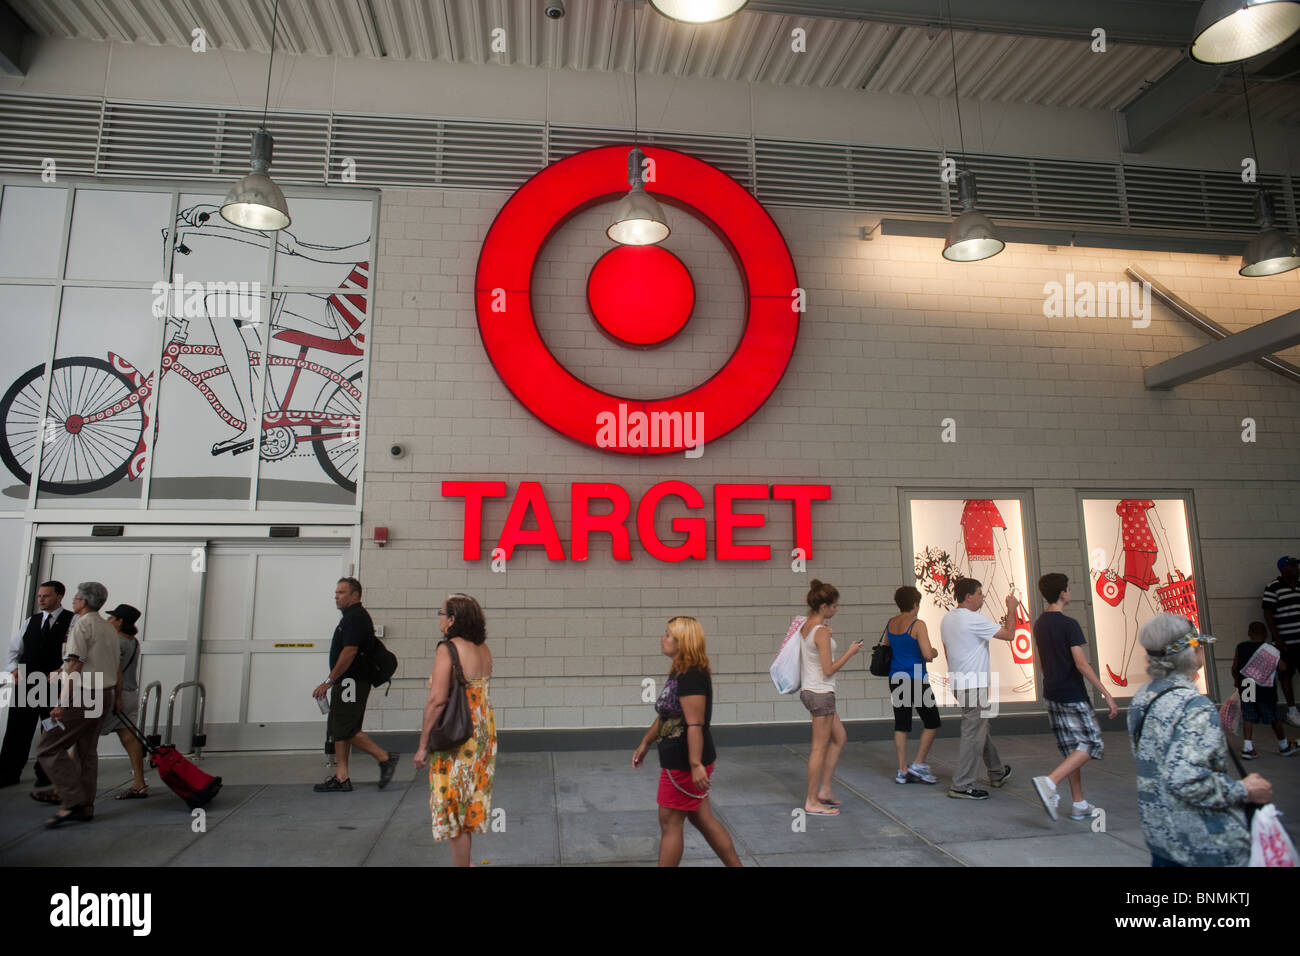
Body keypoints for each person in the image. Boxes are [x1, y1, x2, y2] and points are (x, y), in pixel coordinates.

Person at [1128, 613, 1272, 866]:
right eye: (1198, 645)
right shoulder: (1195, 707)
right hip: (1200, 844)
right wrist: (1244, 789)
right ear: (1190, 653)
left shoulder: (1141, 699)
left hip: (1160, 838)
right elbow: (1186, 779)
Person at [633, 616, 742, 867]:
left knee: (670, 822)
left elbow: (695, 723)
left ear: (683, 642)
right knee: (701, 818)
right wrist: (646, 743)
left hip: (684, 765)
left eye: (669, 635)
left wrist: (694, 764)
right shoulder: (681, 671)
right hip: (681, 761)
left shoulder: (691, 675)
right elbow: (668, 716)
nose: (664, 638)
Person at [414, 594, 497, 867]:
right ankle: (468, 862)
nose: (438, 618)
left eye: (441, 613)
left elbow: (437, 699)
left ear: (452, 620)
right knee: (469, 800)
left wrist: (423, 744)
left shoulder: (447, 648)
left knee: (452, 804)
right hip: (483, 732)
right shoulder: (482, 648)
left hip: (457, 736)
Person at [1029, 573, 1118, 822]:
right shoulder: (1069, 624)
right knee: (1090, 743)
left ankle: (1079, 803)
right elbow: (1081, 664)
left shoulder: (1040, 623)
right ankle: (1050, 782)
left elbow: (1041, 661)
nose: (1070, 591)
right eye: (1068, 588)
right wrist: (1107, 693)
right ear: (1062, 593)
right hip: (1071, 693)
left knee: (1072, 749)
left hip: (1052, 691)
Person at [34, 582, 121, 828]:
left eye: (75, 598)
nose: (73, 602)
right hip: (104, 694)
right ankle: (86, 806)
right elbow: (114, 665)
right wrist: (116, 697)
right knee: (86, 750)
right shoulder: (108, 627)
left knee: (48, 747)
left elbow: (74, 666)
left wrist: (61, 703)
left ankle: (72, 800)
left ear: (83, 602)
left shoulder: (82, 625)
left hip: (84, 694)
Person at [311, 578, 398, 792]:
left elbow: (349, 652)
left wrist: (329, 682)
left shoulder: (355, 618)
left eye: (341, 592)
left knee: (345, 727)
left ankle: (384, 757)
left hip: (351, 681)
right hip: (347, 680)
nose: (336, 596)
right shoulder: (350, 617)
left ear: (355, 595)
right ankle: (342, 777)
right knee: (340, 727)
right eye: (336, 592)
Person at [940, 577, 1018, 800]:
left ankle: (996, 772)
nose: (983, 596)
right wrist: (1011, 608)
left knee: (979, 729)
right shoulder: (973, 619)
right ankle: (961, 785)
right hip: (975, 684)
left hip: (959, 683)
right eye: (980, 593)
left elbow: (947, 651)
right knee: (973, 734)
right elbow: (1010, 635)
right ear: (968, 597)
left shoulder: (947, 619)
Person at [796, 580, 863, 813]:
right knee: (818, 748)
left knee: (840, 737)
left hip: (811, 691)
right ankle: (812, 800)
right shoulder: (821, 632)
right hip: (821, 692)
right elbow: (828, 669)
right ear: (824, 606)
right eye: (834, 606)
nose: (837, 609)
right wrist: (850, 653)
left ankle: (824, 789)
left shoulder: (806, 626)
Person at [0, 581, 73, 789]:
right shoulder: (31, 621)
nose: (41, 599)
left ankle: (47, 773)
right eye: (40, 596)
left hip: (54, 683)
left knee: (51, 729)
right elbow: (15, 649)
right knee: (17, 729)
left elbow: (73, 653)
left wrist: (61, 671)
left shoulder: (72, 621)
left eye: (46, 596)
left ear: (59, 597)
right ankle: (8, 773)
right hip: (28, 682)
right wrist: (13, 668)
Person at [885, 585, 940, 785]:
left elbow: (887, 647)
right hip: (916, 678)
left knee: (901, 724)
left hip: (896, 677)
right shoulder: (918, 624)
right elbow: (927, 653)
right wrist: (934, 652)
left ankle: (902, 769)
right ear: (915, 604)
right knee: (932, 721)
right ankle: (918, 764)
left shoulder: (891, 623)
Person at [99, 604, 149, 799]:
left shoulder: (116, 641)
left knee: (83, 737)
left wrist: (116, 697)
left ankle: (67, 787)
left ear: (120, 621)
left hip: (114, 695)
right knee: (130, 738)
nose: (108, 621)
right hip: (131, 694)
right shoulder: (134, 641)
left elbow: (116, 671)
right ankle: (139, 782)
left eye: (112, 618)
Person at [1232, 620, 1299, 759]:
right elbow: (1283, 667)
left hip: (1248, 685)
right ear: (1265, 634)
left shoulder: (1241, 647)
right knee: (1273, 718)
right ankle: (1284, 746)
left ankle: (1248, 747)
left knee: (1248, 717)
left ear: (1249, 633)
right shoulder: (1271, 650)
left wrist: (1236, 681)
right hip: (1265, 689)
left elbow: (1235, 667)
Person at [1262, 555, 1300, 726]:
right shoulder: (1273, 588)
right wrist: (1277, 639)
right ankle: (1292, 712)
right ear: (1284, 569)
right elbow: (1268, 614)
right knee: (1286, 675)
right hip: (1285, 641)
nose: (1297, 569)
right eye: (1293, 566)